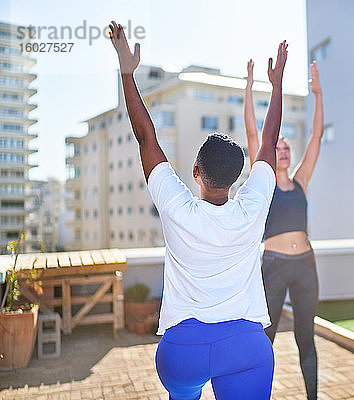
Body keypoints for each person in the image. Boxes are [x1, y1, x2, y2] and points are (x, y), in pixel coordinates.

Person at [108, 21, 289, 400]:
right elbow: (269, 143)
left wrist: (127, 71)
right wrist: (276, 85)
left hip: (182, 353)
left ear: (195, 172)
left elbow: (146, 136)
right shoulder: (252, 207)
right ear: (239, 177)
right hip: (246, 348)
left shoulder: (178, 209)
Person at [244, 59, 324, 399]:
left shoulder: (301, 181)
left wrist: (317, 94)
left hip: (306, 264)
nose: (284, 150)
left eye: (286, 146)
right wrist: (249, 87)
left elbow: (317, 135)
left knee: (306, 336)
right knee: (267, 337)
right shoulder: (261, 181)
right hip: (274, 266)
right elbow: (252, 133)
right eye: (277, 146)